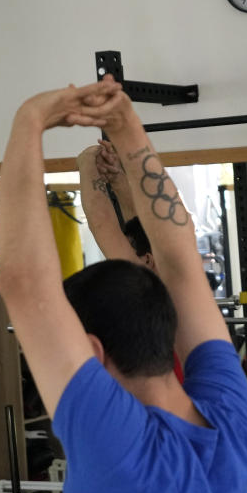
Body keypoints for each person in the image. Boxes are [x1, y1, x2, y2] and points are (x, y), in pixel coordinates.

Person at [0, 78, 247, 493]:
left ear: (94, 353)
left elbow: (24, 280)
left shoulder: (114, 445)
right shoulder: (233, 423)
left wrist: (30, 120)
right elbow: (180, 261)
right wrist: (125, 126)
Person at [77, 139, 184, 383]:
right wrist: (116, 178)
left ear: (146, 260)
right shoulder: (184, 272)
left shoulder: (146, 290)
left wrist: (87, 161)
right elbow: (140, 223)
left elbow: (100, 217)